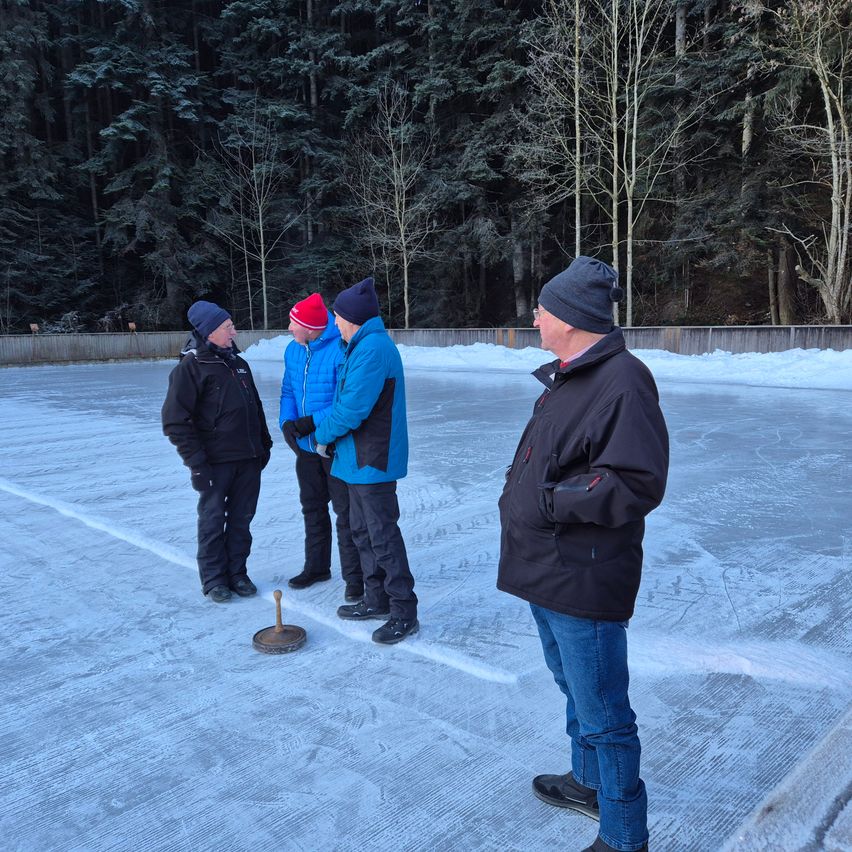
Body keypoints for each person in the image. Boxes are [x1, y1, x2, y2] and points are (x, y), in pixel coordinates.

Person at [497, 257, 669, 852]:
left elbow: (635, 480)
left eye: (542, 309)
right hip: (547, 567)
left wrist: (548, 502)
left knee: (604, 712)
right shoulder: (571, 374)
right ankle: (588, 781)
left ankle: (625, 835)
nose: (535, 317)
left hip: (583, 573)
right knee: (574, 687)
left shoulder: (623, 380)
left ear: (569, 319)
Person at [313, 276, 418, 645]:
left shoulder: (372, 349)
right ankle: (376, 599)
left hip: (372, 459)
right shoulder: (358, 345)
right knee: (362, 533)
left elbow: (352, 409)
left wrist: (321, 436)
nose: (334, 323)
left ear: (353, 317)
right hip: (355, 460)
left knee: (382, 536)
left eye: (338, 317)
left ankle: (404, 610)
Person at [162, 300, 273, 603]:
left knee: (241, 520)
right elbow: (175, 421)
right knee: (213, 520)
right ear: (210, 331)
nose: (234, 331)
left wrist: (265, 444)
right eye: (228, 327)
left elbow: (256, 408)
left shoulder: (239, 363)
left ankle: (237, 573)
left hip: (248, 460)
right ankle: (214, 580)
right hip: (214, 463)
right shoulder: (192, 367)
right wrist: (196, 464)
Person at [279, 292, 363, 602]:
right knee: (312, 508)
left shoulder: (341, 349)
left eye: (293, 322)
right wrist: (287, 422)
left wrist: (313, 422)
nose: (288, 328)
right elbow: (287, 389)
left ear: (310, 327)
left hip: (334, 445)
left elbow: (344, 401)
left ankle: (355, 579)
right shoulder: (293, 350)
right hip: (305, 447)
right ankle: (316, 567)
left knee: (345, 512)